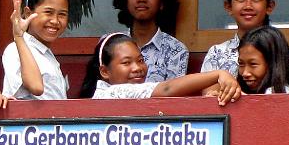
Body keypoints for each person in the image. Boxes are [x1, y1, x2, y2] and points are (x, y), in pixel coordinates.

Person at [201, 0, 289, 87]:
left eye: (256, 0)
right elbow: (208, 94)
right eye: (241, 0)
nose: (248, 6)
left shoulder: (281, 52)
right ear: (228, 6)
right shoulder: (217, 53)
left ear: (269, 6)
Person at [81, 33, 240, 104]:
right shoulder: (113, 92)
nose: (137, 68)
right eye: (126, 63)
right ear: (105, 72)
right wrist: (219, 74)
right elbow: (167, 89)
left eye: (140, 60)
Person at [111, 0, 188, 82]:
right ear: (125, 0)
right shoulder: (111, 44)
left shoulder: (175, 49)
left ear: (162, 2)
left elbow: (174, 94)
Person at [2, 0, 69, 100]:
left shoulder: (46, 53)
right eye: (48, 12)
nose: (55, 21)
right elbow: (36, 87)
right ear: (28, 13)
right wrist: (18, 37)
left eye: (62, 14)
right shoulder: (15, 48)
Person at [237, 26, 289, 94]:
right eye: (241, 64)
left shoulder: (285, 94)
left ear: (273, 64)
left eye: (253, 64)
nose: (245, 73)